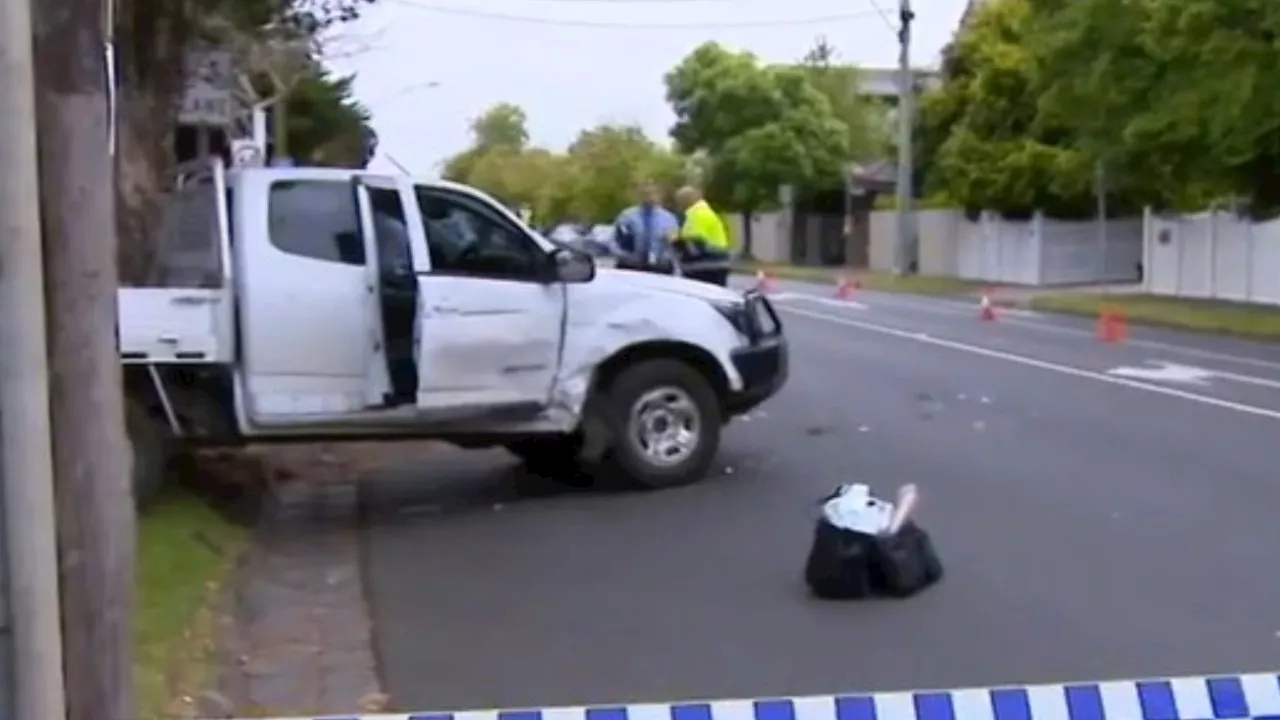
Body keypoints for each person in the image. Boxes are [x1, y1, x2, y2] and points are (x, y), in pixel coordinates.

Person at [612, 181, 681, 273]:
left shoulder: (668, 219)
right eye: (646, 194)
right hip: (632, 265)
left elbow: (675, 247)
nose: (649, 197)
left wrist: (672, 240)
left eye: (653, 193)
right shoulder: (627, 216)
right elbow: (615, 241)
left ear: (659, 196)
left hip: (659, 266)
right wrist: (623, 255)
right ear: (639, 196)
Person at [673, 185, 732, 286]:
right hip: (717, 265)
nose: (679, 205)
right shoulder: (707, 213)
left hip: (704, 269)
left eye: (680, 201)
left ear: (687, 200)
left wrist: (674, 240)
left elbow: (694, 248)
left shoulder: (696, 215)